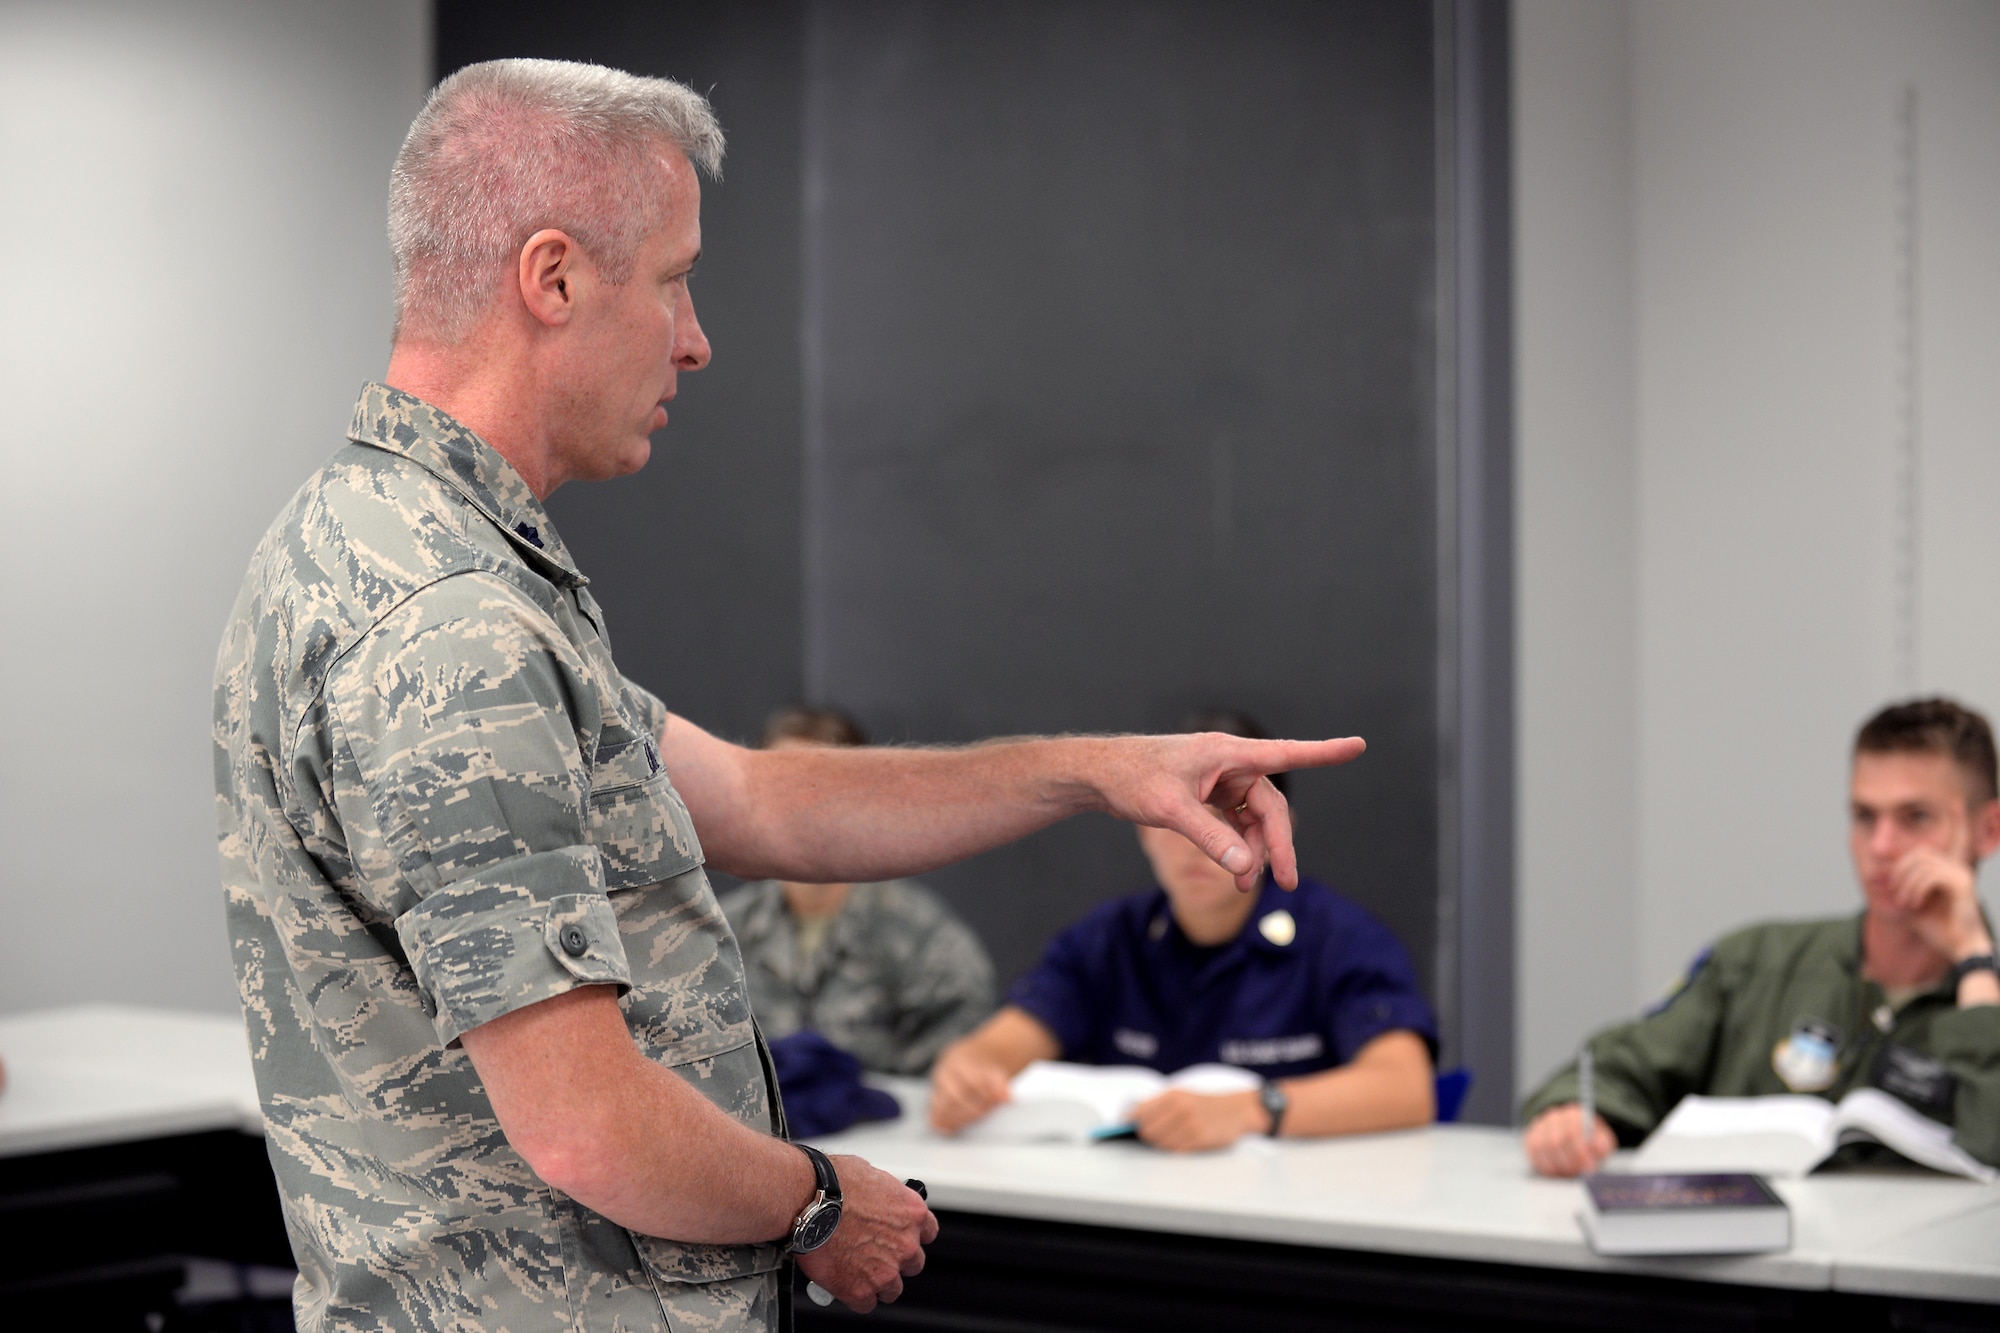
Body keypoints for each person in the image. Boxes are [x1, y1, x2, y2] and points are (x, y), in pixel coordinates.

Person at [212, 59, 1367, 1333]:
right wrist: (819, 1202)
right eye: (673, 278)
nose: (696, 336)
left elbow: (761, 798)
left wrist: (1094, 769)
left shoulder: (384, 544)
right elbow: (589, 1128)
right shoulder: (452, 627)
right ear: (551, 279)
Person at [1521, 697, 2000, 1177]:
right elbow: (1624, 1064)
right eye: (1864, 817)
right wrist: (1574, 1115)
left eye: (1915, 818)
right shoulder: (1756, 963)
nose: (1881, 847)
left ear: (1988, 830)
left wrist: (1974, 961)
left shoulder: (1988, 993)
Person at [930, 711, 1435, 1152]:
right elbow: (1004, 1045)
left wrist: (1252, 1110)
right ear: (1140, 825)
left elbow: (1405, 1088)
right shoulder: (1111, 937)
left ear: (1277, 824)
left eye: (1225, 817)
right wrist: (970, 1069)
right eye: (1176, 818)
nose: (1200, 842)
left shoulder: (1339, 937)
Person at [720, 706, 996, 1077]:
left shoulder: (916, 932)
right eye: (777, 784)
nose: (799, 804)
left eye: (818, 784)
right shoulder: (721, 934)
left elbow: (969, 1046)